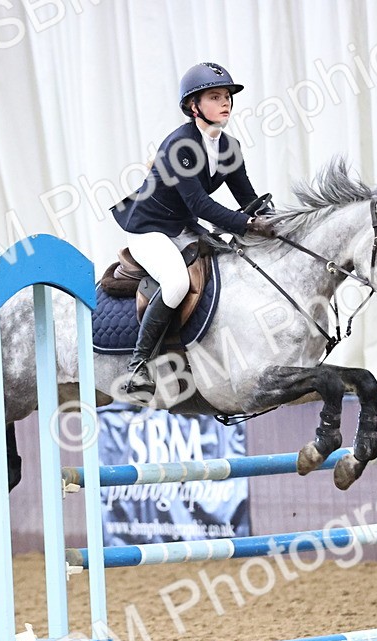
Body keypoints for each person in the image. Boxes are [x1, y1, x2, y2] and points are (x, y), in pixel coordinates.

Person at [111, 61, 275, 398]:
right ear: (193, 106)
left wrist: (273, 219)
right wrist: (247, 224)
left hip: (182, 225)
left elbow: (246, 198)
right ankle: (139, 364)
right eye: (215, 97)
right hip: (149, 228)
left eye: (227, 96)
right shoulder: (180, 146)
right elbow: (200, 205)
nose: (225, 102)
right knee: (176, 283)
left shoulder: (228, 147)